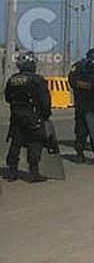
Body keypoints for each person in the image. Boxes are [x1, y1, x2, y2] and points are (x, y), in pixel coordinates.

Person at [3, 52, 55, 182]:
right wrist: (45, 115)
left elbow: (8, 98)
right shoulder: (37, 80)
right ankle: (33, 172)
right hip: (33, 115)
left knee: (16, 142)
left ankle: (12, 171)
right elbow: (45, 101)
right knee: (35, 141)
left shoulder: (12, 79)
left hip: (16, 115)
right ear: (32, 64)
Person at [68, 49, 94, 163]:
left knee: (81, 130)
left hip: (80, 103)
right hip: (93, 106)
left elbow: (72, 81)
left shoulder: (78, 67)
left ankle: (79, 154)